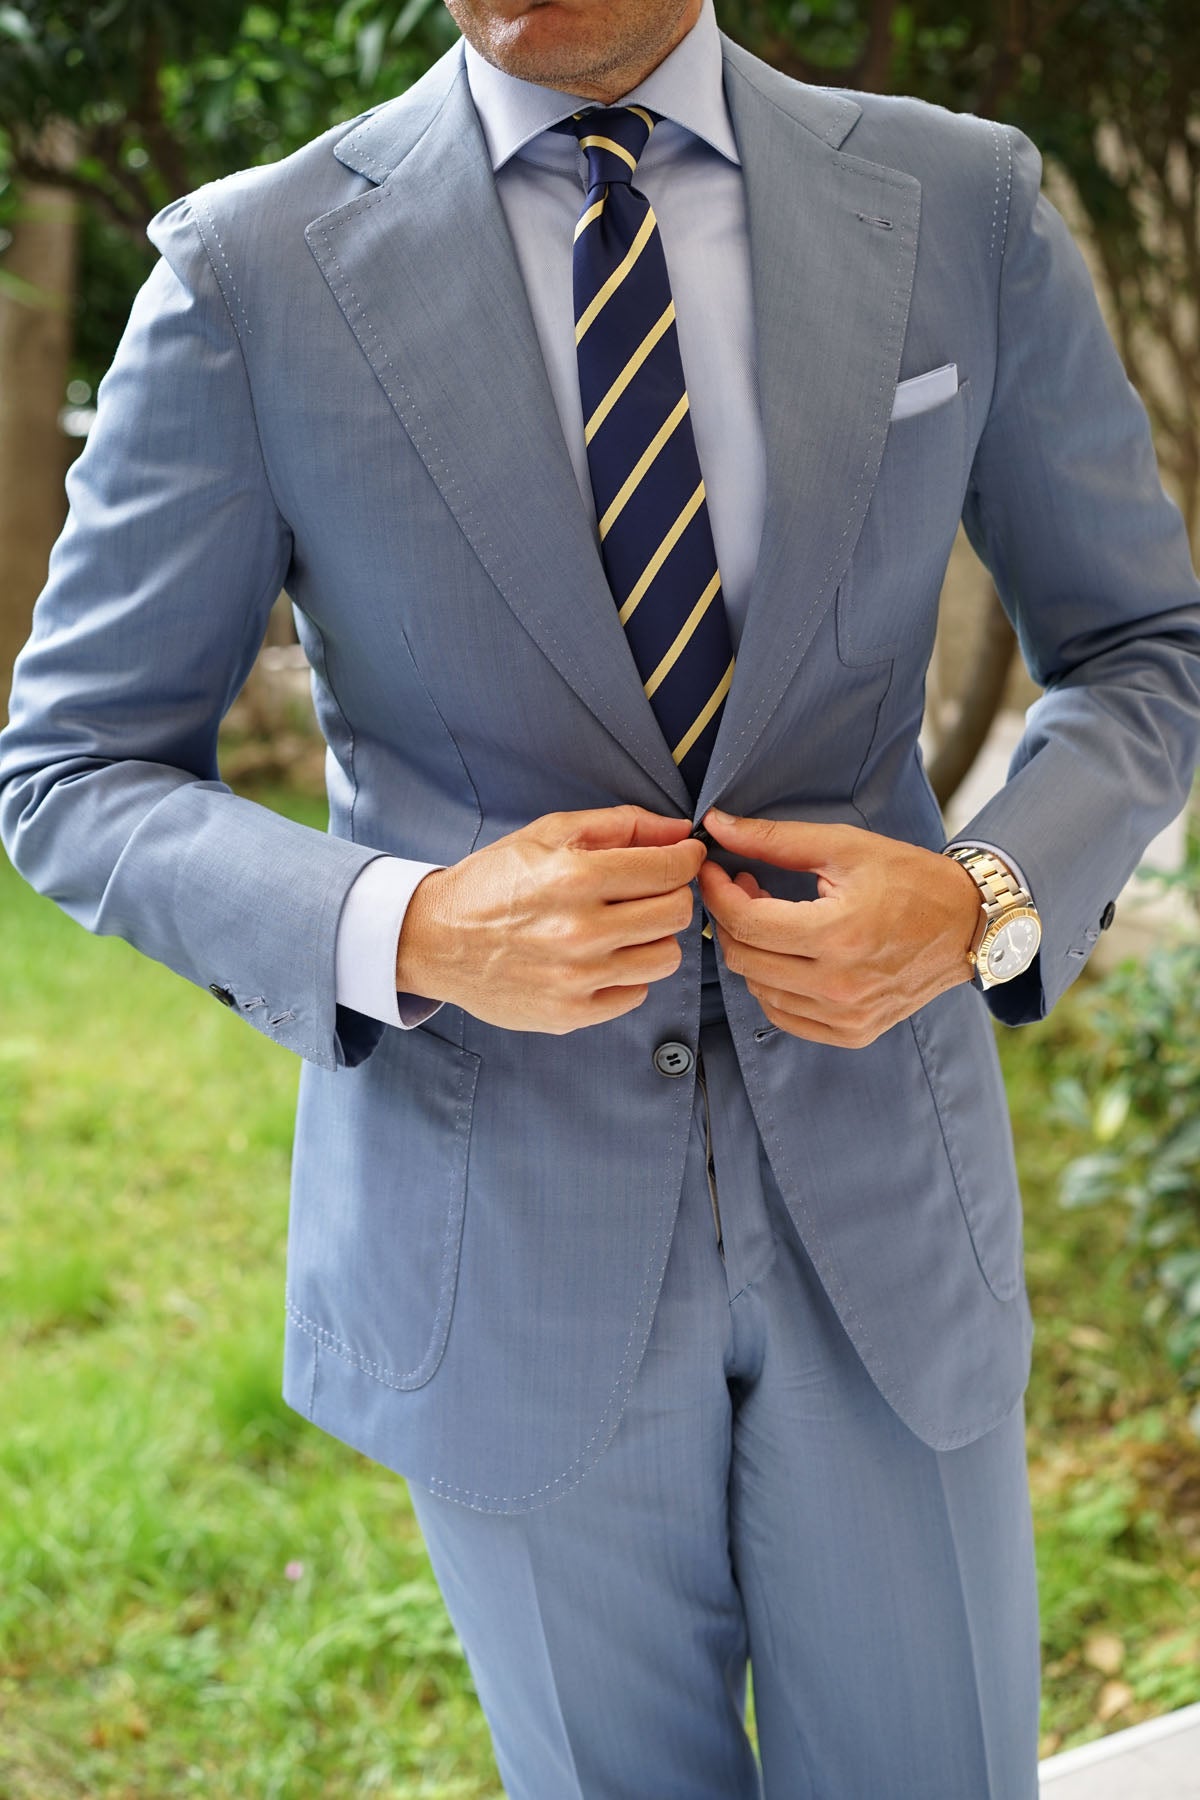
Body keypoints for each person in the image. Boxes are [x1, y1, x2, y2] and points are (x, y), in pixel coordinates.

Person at [3, 0, 1199, 1792]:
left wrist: (982, 898)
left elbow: (1142, 648)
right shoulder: (252, 271)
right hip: (496, 1245)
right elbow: (74, 768)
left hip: (886, 1207)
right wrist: (411, 928)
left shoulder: (962, 204)